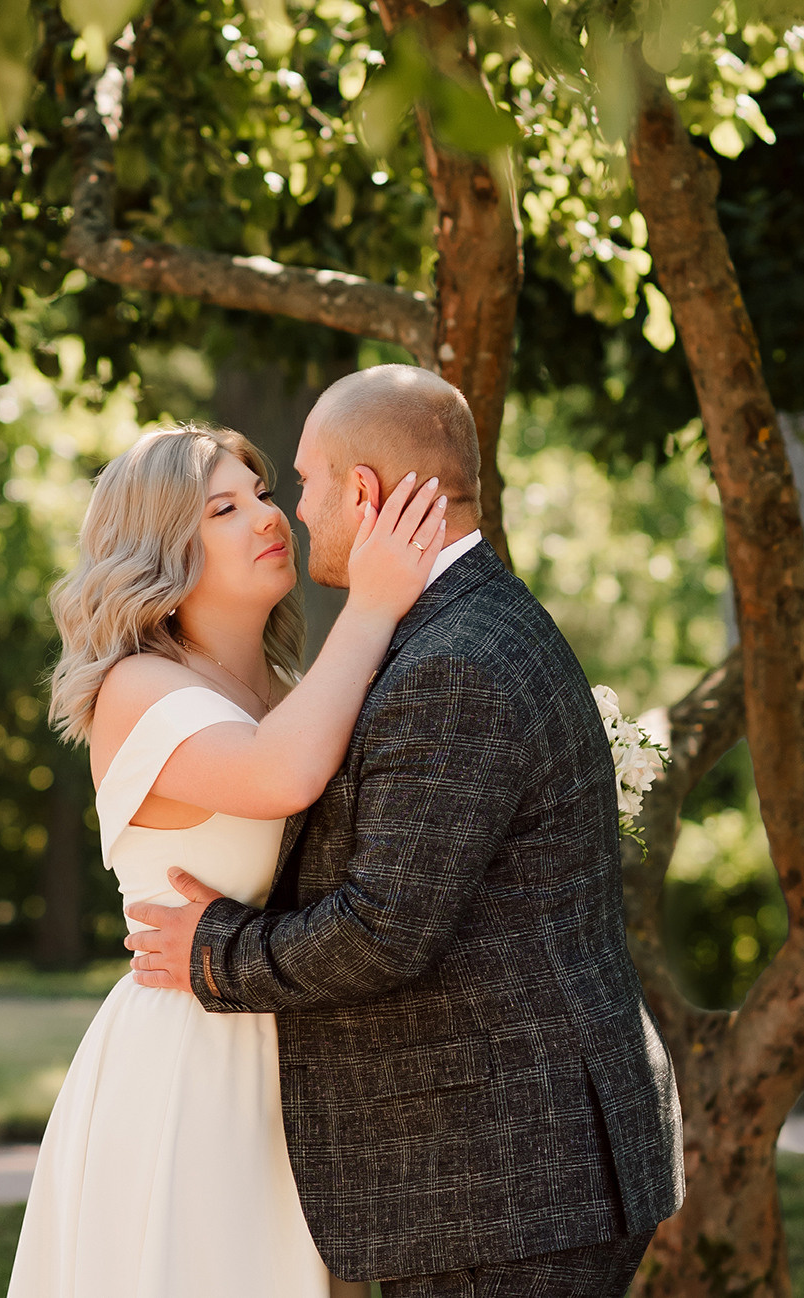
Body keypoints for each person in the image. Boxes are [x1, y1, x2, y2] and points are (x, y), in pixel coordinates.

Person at [123, 365, 686, 1297]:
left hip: (507, 1185)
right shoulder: (467, 625)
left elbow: (384, 929)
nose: (295, 511)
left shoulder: (449, 663)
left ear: (364, 492)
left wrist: (213, 953)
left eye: (305, 482)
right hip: (518, 1176)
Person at [7, 419, 449, 1298]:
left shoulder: (294, 693)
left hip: (307, 1045)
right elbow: (280, 774)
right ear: (163, 549)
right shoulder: (136, 688)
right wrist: (372, 604)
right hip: (196, 1059)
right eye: (224, 508)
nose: (268, 516)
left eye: (264, 493)